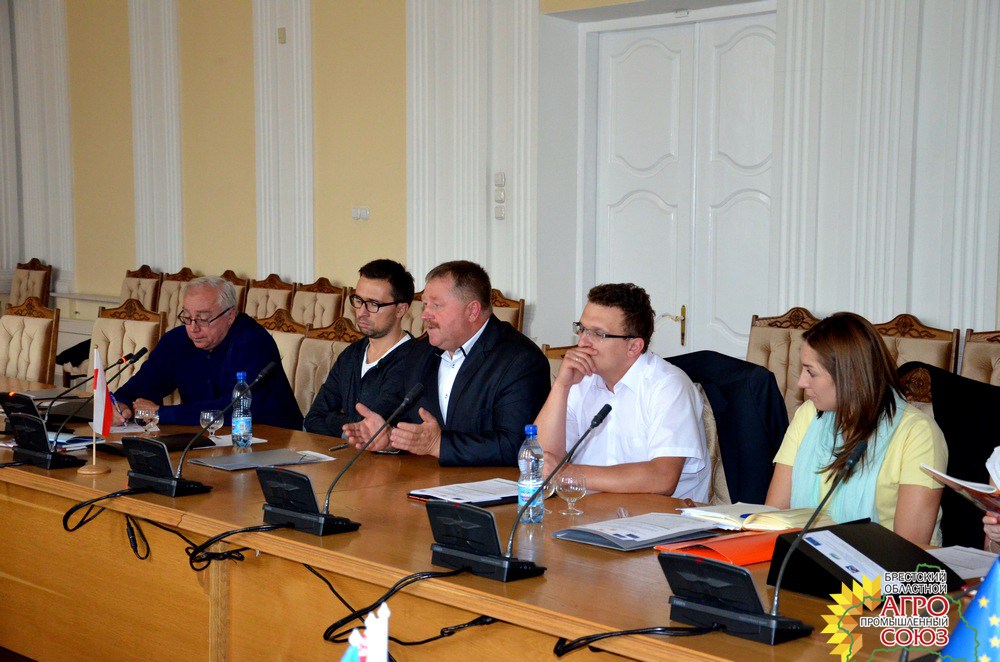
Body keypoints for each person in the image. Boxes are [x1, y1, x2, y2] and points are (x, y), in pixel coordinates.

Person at [342, 260, 550, 466]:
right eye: (425, 304)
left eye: (436, 305)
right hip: (422, 480)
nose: (424, 315)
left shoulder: (521, 360)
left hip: (489, 485)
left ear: (472, 311)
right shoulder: (419, 353)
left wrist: (439, 445)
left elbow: (517, 445)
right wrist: (391, 439)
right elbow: (413, 426)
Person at [764, 312, 947, 545]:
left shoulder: (919, 434)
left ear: (851, 376)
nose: (801, 382)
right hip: (808, 558)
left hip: (886, 565)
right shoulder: (808, 415)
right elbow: (775, 517)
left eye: (811, 372)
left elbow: (909, 551)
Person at [533, 283, 709, 499]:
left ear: (634, 347)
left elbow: (663, 478)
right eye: (582, 329)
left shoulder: (668, 386)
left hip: (658, 515)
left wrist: (570, 474)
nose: (582, 342)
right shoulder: (580, 380)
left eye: (598, 334)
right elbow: (540, 462)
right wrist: (562, 386)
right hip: (590, 510)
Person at [113, 276, 303, 429]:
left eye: (203, 319)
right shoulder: (177, 341)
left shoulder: (253, 342)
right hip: (205, 440)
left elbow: (235, 408)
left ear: (230, 316)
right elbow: (137, 388)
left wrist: (160, 413)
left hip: (270, 439)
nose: (193, 328)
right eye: (187, 317)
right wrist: (121, 405)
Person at [304, 259, 416, 438]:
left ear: (400, 310)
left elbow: (370, 430)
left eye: (373, 304)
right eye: (358, 300)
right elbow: (314, 418)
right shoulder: (352, 353)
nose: (362, 312)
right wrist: (348, 428)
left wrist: (334, 420)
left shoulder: (413, 362)